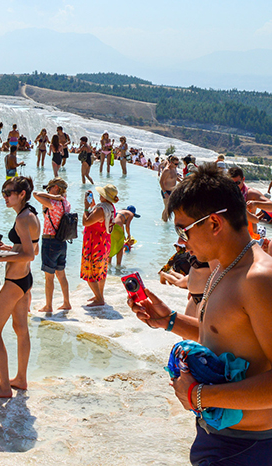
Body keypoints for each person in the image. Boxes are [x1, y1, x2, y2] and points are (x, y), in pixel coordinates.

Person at [128, 162, 272, 465]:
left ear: (215, 224)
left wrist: (199, 396)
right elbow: (224, 338)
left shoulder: (258, 279)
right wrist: (169, 320)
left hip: (247, 448)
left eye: (184, 229)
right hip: (217, 436)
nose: (182, 240)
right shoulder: (223, 266)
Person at [0, 177, 40, 398]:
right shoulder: (29, 214)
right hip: (25, 280)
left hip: (15, 282)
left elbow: (30, 255)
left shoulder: (23, 219)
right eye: (3, 192)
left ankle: (5, 387)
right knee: (20, 329)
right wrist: (5, 248)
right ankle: (21, 379)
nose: (5, 196)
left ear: (21, 194)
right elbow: (27, 247)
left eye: (9, 192)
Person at [33, 178, 72, 313]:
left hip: (50, 241)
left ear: (55, 188)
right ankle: (66, 302)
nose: (47, 191)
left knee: (49, 277)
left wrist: (52, 196)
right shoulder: (66, 203)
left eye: (49, 188)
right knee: (61, 274)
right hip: (62, 242)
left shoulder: (53, 203)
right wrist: (56, 196)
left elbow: (35, 194)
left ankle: (48, 306)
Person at [80, 185, 118, 307]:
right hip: (104, 242)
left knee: (89, 272)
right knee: (101, 271)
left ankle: (99, 298)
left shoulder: (100, 209)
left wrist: (86, 208)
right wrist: (93, 204)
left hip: (93, 243)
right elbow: (99, 217)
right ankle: (99, 295)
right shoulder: (111, 207)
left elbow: (86, 222)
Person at [229, 166, 266, 241]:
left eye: (238, 183)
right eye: (232, 183)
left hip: (249, 238)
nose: (235, 186)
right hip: (232, 237)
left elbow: (256, 220)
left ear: (243, 179)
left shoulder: (251, 194)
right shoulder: (227, 194)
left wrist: (256, 204)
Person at [160, 156, 180, 222]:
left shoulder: (174, 169)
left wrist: (182, 181)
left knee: (170, 208)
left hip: (172, 191)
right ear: (171, 163)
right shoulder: (166, 170)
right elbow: (161, 181)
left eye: (178, 164)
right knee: (167, 208)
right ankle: (164, 222)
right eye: (175, 164)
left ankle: (164, 220)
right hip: (166, 191)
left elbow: (175, 177)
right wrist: (164, 192)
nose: (176, 165)